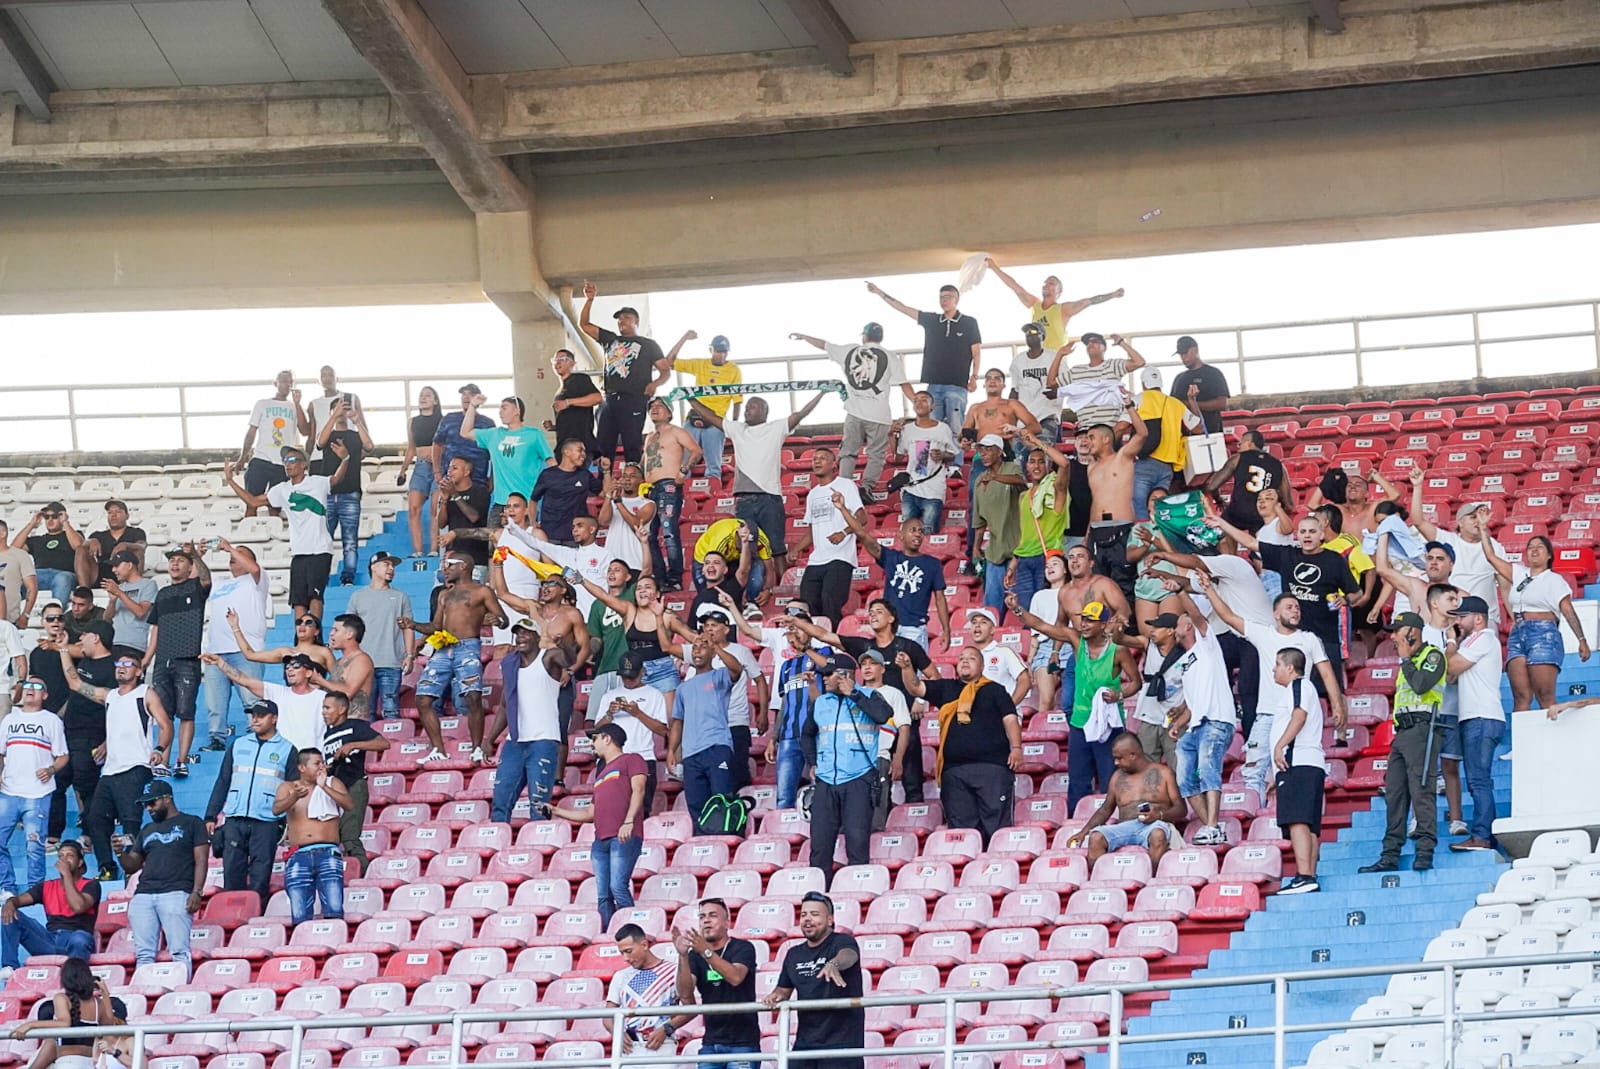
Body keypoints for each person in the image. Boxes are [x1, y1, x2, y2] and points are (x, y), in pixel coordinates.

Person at [1199, 574, 1345, 809]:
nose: (1295, 611)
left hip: (1298, 715)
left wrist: (1338, 705)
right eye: (1289, 607)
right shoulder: (1263, 633)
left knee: (1296, 769)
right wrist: (1209, 590)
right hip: (1266, 714)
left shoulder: (1309, 639)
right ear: (1276, 614)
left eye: (1297, 607)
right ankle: (1254, 814)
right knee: (1254, 771)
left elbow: (1327, 673)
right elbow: (1227, 617)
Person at [1010, 599, 1139, 815]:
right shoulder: (1077, 642)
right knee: (1078, 780)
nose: (1084, 624)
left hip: (1108, 725)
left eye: (1091, 620)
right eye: (1083, 620)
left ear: (1103, 624)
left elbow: (1136, 682)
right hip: (1080, 724)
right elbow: (1042, 626)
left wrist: (1119, 694)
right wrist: (1017, 608)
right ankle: (1076, 823)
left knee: (1110, 778)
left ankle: (1113, 822)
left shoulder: (1118, 651)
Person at [687, 391, 828, 581]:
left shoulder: (777, 427)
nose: (746, 411)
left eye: (752, 407)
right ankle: (751, 592)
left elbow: (801, 413)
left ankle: (781, 591)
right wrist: (690, 399)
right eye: (746, 407)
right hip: (744, 499)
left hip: (770, 498)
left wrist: (822, 393)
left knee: (776, 548)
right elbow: (711, 417)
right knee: (747, 547)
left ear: (764, 411)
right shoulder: (737, 429)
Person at [1216, 512, 1360, 690]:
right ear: (1297, 535)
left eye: (1312, 531)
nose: (1307, 535)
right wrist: (1222, 524)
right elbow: (1251, 543)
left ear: (1321, 535)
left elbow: (1356, 593)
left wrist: (1344, 599)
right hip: (1292, 640)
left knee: (1329, 693)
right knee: (1292, 692)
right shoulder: (1287, 555)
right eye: (1303, 531)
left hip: (1325, 638)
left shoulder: (1334, 559)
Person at [62, 650, 172, 881]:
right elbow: (74, 683)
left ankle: (133, 870)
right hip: (110, 770)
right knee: (95, 818)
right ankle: (107, 867)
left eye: (128, 664)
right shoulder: (110, 695)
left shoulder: (145, 693)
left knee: (130, 819)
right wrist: (63, 649)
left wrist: (159, 749)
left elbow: (166, 724)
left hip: (135, 766)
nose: (121, 667)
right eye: (118, 663)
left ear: (139, 671)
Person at [899, 646, 1022, 844]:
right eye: (962, 658)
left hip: (992, 769)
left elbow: (1010, 720)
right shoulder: (946, 688)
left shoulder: (995, 690)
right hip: (954, 772)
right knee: (962, 834)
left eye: (971, 658)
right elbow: (915, 687)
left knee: (997, 829)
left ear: (982, 666)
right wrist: (906, 668)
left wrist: (1016, 748)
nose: (965, 661)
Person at [1359, 614, 1448, 873]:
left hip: (1423, 729)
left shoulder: (1433, 656)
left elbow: (1421, 685)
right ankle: (1389, 855)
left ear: (1412, 632)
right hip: (1403, 733)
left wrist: (1408, 658)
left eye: (1397, 631)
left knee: (1422, 792)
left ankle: (1424, 852)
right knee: (1395, 795)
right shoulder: (1405, 662)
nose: (1392, 636)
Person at [405, 555, 510, 764]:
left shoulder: (482, 591)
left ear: (464, 566)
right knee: (423, 698)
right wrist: (413, 624)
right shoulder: (445, 594)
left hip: (468, 646)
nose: (445, 569)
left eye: (449, 566)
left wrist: (494, 620)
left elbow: (504, 620)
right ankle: (438, 749)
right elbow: (435, 626)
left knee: (472, 697)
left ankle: (477, 748)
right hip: (443, 647)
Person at [225, 444, 347, 621]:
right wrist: (230, 481)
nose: (287, 464)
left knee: (315, 596)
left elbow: (336, 479)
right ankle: (300, 640)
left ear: (304, 464)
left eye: (292, 460)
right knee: (298, 601)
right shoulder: (281, 489)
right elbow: (253, 501)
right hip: (298, 551)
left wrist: (345, 459)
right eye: (285, 461)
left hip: (319, 549)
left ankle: (315, 638)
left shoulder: (317, 482)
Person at [544, 724, 647, 928]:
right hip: (600, 839)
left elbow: (639, 790)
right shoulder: (600, 775)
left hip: (623, 835)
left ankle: (629, 932)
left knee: (618, 887)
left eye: (595, 738)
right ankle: (609, 933)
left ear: (607, 739)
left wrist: (628, 821)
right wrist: (557, 811)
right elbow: (590, 814)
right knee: (603, 895)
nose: (593, 743)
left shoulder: (632, 759)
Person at [791, 324, 912, 497]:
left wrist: (804, 336)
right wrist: (916, 400)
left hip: (854, 412)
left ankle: (844, 487)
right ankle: (867, 487)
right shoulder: (890, 356)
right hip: (879, 414)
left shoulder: (850, 351)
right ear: (881, 338)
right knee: (876, 455)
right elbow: (904, 383)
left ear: (864, 337)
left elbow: (824, 344)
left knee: (848, 452)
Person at [801, 654, 891, 881]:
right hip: (826, 781)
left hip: (858, 779)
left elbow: (883, 715)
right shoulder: (820, 702)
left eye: (829, 675)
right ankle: (820, 895)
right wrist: (812, 761)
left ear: (845, 676)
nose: (825, 680)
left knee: (857, 841)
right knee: (820, 843)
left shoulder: (870, 695)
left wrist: (855, 694)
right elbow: (807, 735)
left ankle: (856, 891)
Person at [203, 700, 298, 910]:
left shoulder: (288, 749)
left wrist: (288, 824)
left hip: (267, 821)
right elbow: (223, 781)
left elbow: (294, 790)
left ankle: (254, 917)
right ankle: (233, 916)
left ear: (274, 719)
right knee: (232, 872)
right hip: (235, 818)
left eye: (261, 715)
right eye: (253, 715)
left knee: (260, 875)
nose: (255, 719)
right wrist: (211, 815)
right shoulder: (238, 744)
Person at [866, 280, 982, 451]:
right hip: (933, 385)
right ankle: (927, 466)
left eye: (948, 297)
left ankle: (955, 467)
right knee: (930, 427)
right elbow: (903, 308)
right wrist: (879, 292)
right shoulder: (932, 320)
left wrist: (974, 376)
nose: (944, 300)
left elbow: (976, 351)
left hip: (957, 384)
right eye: (941, 297)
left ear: (956, 299)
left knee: (956, 426)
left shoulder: (969, 322)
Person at [1482, 534, 1590, 714]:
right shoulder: (1518, 573)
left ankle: (1549, 740)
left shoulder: (1555, 580)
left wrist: (1581, 639)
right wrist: (1484, 529)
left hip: (1543, 632)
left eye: (1539, 546)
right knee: (1521, 696)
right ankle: (1523, 741)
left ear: (1549, 555)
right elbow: (1491, 557)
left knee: (1545, 696)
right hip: (1518, 632)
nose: (1534, 549)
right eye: (1530, 546)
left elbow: (1568, 610)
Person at [763, 892, 865, 1069]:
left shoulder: (842, 941)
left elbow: (849, 955)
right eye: (803, 915)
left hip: (841, 1044)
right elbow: (783, 990)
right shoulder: (793, 953)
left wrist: (834, 964)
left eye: (814, 914)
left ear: (830, 920)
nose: (807, 919)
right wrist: (775, 996)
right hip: (805, 1043)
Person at [122, 780, 208, 978]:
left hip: (176, 892)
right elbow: (132, 865)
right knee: (144, 955)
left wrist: (197, 891)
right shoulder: (147, 829)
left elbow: (201, 860)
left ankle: (180, 992)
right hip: (143, 894)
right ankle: (144, 995)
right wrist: (120, 853)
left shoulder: (192, 822)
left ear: (167, 799)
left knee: (179, 951)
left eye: (152, 803)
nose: (148, 808)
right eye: (145, 805)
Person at [580, 280, 671, 466]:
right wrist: (589, 300)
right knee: (604, 444)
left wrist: (655, 384)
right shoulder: (610, 340)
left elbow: (665, 371)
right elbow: (585, 325)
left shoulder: (648, 344)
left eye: (626, 318)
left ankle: (635, 483)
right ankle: (605, 485)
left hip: (634, 398)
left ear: (636, 320)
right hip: (610, 398)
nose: (622, 321)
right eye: (619, 319)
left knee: (632, 443)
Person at [488, 622, 569, 824]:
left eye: (526, 633)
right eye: (518, 634)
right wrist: (489, 739)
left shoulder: (549, 657)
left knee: (539, 803)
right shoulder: (510, 664)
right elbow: (505, 705)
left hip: (543, 739)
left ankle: (538, 845)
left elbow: (569, 660)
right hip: (515, 740)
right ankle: (500, 845)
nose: (521, 637)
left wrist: (565, 644)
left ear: (536, 636)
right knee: (500, 799)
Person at [835, 511, 950, 652]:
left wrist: (946, 629)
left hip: (914, 629)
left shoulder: (932, 564)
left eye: (920, 531)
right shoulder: (890, 558)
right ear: (901, 535)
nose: (917, 534)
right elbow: (861, 534)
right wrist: (842, 508)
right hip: (889, 628)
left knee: (912, 672)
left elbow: (940, 598)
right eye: (912, 530)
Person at [1442, 596, 1504, 853]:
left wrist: (1451, 641)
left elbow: (1450, 665)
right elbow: (1451, 677)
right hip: (1478, 717)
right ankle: (1486, 833)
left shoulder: (1483, 637)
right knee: (1479, 780)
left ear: (1478, 618)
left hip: (1481, 717)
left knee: (1479, 781)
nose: (1457, 621)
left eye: (1462, 616)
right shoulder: (1475, 641)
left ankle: (1482, 836)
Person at [143, 546, 212, 778]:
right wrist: (147, 659)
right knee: (164, 714)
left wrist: (195, 554)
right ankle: (162, 760)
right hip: (163, 660)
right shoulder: (162, 594)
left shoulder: (195, 586)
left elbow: (205, 577)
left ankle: (181, 761)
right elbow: (155, 629)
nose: (175, 564)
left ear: (189, 565)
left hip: (187, 658)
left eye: (181, 560)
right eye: (172, 560)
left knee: (186, 713)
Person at [46, 620, 113, 852]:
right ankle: (53, 836)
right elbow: (72, 684)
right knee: (57, 783)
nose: (80, 639)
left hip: (91, 736)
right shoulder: (85, 660)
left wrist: (107, 741)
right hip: (68, 734)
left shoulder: (113, 668)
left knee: (87, 787)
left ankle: (88, 835)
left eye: (85, 635)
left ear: (96, 638)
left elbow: (116, 708)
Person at [0, 674, 70, 895]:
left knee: (34, 846)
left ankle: (35, 890)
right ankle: (6, 887)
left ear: (45, 695)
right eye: (27, 685)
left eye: (37, 686)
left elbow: (63, 756)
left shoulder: (51, 720)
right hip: (9, 791)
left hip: (38, 793)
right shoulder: (9, 719)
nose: (30, 689)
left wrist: (50, 770)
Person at [1071, 733, 1185, 868]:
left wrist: (1159, 815)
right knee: (1096, 837)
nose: (1116, 763)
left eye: (1119, 758)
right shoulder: (1117, 776)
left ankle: (1153, 879)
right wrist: (1084, 832)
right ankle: (1098, 883)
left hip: (1154, 825)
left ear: (1133, 755)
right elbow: (1106, 809)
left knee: (1158, 835)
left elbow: (1181, 809)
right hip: (1124, 827)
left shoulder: (1164, 773)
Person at [674, 898, 760, 1069]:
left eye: (713, 915)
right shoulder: (694, 955)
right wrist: (683, 956)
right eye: (702, 916)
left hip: (743, 1044)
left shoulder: (743, 947)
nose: (706, 920)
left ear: (727, 923)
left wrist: (705, 951)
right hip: (711, 1043)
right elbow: (685, 993)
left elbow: (735, 977)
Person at [667, 637, 747, 822]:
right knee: (696, 806)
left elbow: (736, 669)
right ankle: (702, 840)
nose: (697, 651)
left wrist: (717, 646)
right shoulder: (683, 688)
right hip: (690, 754)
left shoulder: (719, 675)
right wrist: (671, 750)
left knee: (722, 800)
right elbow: (678, 722)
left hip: (717, 747)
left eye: (703, 647)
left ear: (711, 652)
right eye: (694, 648)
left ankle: (725, 841)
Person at [1078, 403, 1150, 605]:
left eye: (1091, 437)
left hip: (1121, 528)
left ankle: (1129, 632)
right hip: (1096, 532)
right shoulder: (1091, 467)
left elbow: (1142, 434)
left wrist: (1129, 408)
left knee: (1124, 584)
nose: (1087, 442)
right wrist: (1087, 536)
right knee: (1097, 584)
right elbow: (1096, 501)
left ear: (1106, 439)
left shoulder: (1122, 457)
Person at [1268, 649, 1326, 894]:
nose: (1274, 669)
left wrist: (1280, 746)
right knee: (1309, 824)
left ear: (1290, 668)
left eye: (1277, 664)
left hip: (1298, 762)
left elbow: (1299, 715)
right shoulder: (1303, 688)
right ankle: (1309, 876)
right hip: (1307, 763)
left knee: (1298, 821)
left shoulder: (1299, 685)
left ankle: (1303, 875)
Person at [201, 539, 268, 750]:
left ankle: (258, 736)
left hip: (246, 651)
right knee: (215, 703)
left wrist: (229, 547)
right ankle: (216, 739)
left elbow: (254, 568)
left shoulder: (257, 580)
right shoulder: (221, 582)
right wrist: (196, 557)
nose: (233, 556)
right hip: (216, 650)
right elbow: (202, 580)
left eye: (241, 553)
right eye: (233, 553)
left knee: (252, 699)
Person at [274, 747, 352, 924]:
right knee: (300, 913)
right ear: (302, 767)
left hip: (328, 852)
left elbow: (349, 804)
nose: (321, 767)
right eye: (317, 763)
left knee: (334, 909)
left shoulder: (333, 782)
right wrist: (293, 797)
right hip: (298, 854)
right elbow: (276, 809)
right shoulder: (288, 787)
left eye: (323, 762)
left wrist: (324, 787)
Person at [1410, 489, 1507, 630]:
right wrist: (1418, 486)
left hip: (1484, 619)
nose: (1478, 521)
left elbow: (1504, 588)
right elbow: (1418, 521)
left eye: (1480, 517)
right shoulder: (1448, 540)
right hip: (1452, 618)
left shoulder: (1495, 547)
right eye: (1473, 517)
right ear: (1460, 522)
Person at [983, 256, 1124, 352]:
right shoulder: (1034, 305)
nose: (1046, 284)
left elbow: (1089, 301)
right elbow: (1014, 286)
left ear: (1059, 291)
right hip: (1038, 360)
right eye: (1045, 282)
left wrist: (1112, 295)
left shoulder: (1063, 309)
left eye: (1051, 283)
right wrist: (994, 267)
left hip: (1056, 361)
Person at [590, 651, 670, 817]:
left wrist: (638, 713)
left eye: (632, 676)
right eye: (625, 676)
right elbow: (595, 731)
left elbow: (663, 730)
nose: (628, 680)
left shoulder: (654, 695)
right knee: (606, 809)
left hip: (642, 756)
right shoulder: (609, 696)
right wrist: (609, 714)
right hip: (610, 759)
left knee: (641, 811)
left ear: (642, 672)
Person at [792, 449, 864, 628]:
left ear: (834, 464)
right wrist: (796, 549)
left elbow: (862, 518)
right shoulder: (812, 494)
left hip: (840, 558)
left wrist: (844, 532)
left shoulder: (846, 485)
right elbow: (811, 530)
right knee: (808, 606)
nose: (817, 461)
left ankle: (834, 648)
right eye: (815, 458)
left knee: (830, 605)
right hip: (816, 560)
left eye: (823, 458)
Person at [0, 841, 99, 972]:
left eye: (69, 855)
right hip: (49, 941)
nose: (64, 859)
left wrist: (67, 875)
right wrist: (10, 903)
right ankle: (9, 968)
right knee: (10, 913)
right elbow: (19, 900)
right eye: (61, 856)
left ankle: (75, 981)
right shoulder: (46, 886)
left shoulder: (91, 885)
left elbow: (78, 906)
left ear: (80, 862)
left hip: (76, 941)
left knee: (80, 938)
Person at [201, 652, 327, 753]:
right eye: (287, 667)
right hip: (282, 757)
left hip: (313, 759)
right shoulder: (277, 692)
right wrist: (220, 663)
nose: (289, 670)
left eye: (296, 666)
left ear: (309, 672)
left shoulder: (323, 698)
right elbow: (244, 680)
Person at [319, 690, 386, 875]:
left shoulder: (355, 726)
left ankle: (361, 875)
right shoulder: (327, 734)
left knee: (349, 837)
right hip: (335, 788)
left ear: (341, 709)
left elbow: (383, 743)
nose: (323, 712)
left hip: (354, 785)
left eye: (327, 707)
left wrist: (353, 745)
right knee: (334, 836)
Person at [605, 923, 693, 1063]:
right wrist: (617, 1033)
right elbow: (607, 1016)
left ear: (644, 945)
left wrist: (666, 1029)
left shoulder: (673, 971)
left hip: (662, 1045)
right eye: (622, 953)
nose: (625, 958)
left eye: (628, 951)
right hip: (628, 1047)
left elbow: (690, 1008)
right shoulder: (620, 976)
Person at [459, 394, 553, 527]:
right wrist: (472, 406)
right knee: (496, 545)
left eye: (504, 408)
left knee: (524, 546)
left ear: (517, 411)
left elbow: (551, 463)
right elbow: (465, 432)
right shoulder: (494, 434)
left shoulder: (534, 435)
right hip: (500, 504)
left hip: (525, 504)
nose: (500, 412)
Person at [1008, 426, 1072, 615]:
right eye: (1032, 462)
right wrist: (1013, 563)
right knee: (1027, 613)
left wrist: (1035, 441)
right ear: (1026, 466)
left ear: (1047, 466)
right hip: (1024, 560)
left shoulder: (1055, 489)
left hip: (1048, 558)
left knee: (1050, 612)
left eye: (1041, 462)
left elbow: (1065, 464)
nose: (1036, 466)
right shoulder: (1024, 497)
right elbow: (1023, 533)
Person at [640, 398, 702, 588]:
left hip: (668, 485)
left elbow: (696, 451)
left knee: (669, 532)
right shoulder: (649, 436)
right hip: (649, 488)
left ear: (669, 412)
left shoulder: (676, 431)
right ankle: (659, 577)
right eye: (652, 407)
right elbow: (645, 462)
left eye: (660, 407)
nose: (654, 409)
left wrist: (684, 470)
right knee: (649, 535)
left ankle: (674, 578)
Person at [347, 552, 415, 722]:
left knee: (391, 711)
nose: (391, 569)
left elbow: (408, 628)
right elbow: (348, 629)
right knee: (364, 713)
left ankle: (390, 747)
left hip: (391, 662)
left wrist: (409, 655)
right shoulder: (357, 596)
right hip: (363, 664)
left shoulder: (400, 597)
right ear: (373, 567)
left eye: (392, 566)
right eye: (386, 564)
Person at [313, 396, 373, 587]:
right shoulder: (328, 433)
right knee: (323, 539)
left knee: (350, 541)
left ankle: (347, 578)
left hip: (350, 493)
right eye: (338, 408)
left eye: (345, 409)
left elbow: (370, 446)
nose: (341, 412)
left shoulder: (354, 435)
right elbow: (319, 443)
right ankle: (321, 576)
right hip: (328, 494)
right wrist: (333, 417)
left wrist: (357, 421)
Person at [670, 331, 743, 484]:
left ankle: (713, 494)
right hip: (694, 417)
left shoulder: (734, 370)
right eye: (718, 351)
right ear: (711, 350)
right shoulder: (700, 364)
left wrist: (734, 425)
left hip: (716, 422)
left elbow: (738, 399)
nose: (721, 355)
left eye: (724, 352)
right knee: (684, 464)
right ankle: (682, 494)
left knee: (714, 466)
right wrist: (684, 338)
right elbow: (670, 362)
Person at [1132, 367, 1202, 520]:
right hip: (1167, 468)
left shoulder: (1139, 399)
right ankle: (1160, 540)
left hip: (1145, 462)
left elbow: (1122, 425)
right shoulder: (1175, 403)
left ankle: (1142, 540)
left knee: (1139, 508)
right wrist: (1191, 401)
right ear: (1161, 384)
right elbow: (1198, 428)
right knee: (1161, 510)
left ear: (1143, 384)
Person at [236, 370, 309, 516]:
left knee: (274, 507)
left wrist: (298, 403)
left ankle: (274, 534)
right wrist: (242, 457)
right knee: (251, 503)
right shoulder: (262, 404)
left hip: (283, 464)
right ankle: (251, 534)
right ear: (275, 383)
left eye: (290, 381)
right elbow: (251, 432)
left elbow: (305, 430)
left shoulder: (295, 407)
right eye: (283, 380)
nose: (287, 384)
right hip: (261, 459)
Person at [7, 957, 115, 1054]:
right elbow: (109, 1025)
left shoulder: (61, 998)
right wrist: (105, 994)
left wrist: (31, 1024)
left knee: (49, 1043)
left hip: (66, 1059)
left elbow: (64, 1023)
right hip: (89, 1060)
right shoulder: (97, 1003)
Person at [889, 390, 959, 532]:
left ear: (932, 406)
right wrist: (891, 435)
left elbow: (952, 455)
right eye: (915, 400)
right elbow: (898, 457)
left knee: (928, 530)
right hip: (911, 488)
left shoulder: (942, 428)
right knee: (908, 532)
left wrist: (942, 455)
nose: (919, 403)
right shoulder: (907, 429)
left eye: (923, 400)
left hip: (933, 490)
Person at [970, 434, 1025, 613]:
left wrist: (996, 477)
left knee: (1020, 603)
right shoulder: (979, 481)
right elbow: (980, 522)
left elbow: (1022, 483)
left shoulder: (1011, 468)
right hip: (995, 550)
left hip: (1018, 548)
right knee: (992, 605)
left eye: (988, 449)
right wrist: (976, 547)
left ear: (1000, 451)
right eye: (981, 450)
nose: (983, 454)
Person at [1051, 333, 1147, 433]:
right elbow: (1051, 383)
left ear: (1104, 348)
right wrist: (1060, 354)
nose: (1090, 344)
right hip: (1086, 432)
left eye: (1095, 341)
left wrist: (1121, 342)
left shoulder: (1113, 365)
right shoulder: (1077, 370)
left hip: (1110, 430)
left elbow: (1139, 362)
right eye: (1088, 342)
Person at [1206, 430, 1291, 532]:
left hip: (1238, 510)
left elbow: (1212, 486)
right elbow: (1287, 500)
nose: (1239, 446)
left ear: (1250, 443)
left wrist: (1218, 499)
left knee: (1223, 531)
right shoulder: (1279, 465)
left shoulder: (1237, 458)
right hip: (1263, 513)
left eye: (1240, 443)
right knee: (1259, 545)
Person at [397, 385, 443, 557]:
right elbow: (411, 448)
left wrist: (438, 454)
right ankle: (417, 550)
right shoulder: (413, 421)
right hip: (420, 465)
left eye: (428, 395)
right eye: (421, 395)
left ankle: (433, 549)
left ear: (435, 401)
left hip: (439, 466)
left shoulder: (442, 420)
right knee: (413, 507)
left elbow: (448, 444)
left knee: (434, 508)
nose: (423, 398)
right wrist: (403, 470)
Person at [529, 439, 601, 546]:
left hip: (575, 537)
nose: (583, 455)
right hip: (550, 535)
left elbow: (603, 492)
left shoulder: (585, 475)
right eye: (580, 450)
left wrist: (607, 471)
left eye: (584, 451)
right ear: (567, 452)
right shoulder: (547, 474)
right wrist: (532, 523)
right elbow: (533, 500)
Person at [10, 503, 82, 606]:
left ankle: (56, 614)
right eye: (47, 517)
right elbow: (14, 549)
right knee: (18, 579)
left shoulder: (72, 534)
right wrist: (31, 524)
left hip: (64, 574)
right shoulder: (38, 540)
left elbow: (78, 546)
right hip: (39, 575)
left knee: (62, 578)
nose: (50, 520)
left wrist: (65, 522)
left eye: (55, 516)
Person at [307, 613, 375, 722]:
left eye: (336, 630)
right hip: (337, 724)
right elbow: (331, 689)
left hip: (356, 723)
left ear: (349, 634)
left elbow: (348, 693)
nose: (331, 634)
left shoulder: (362, 659)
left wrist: (320, 680)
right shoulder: (338, 662)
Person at [1008, 322, 1061, 461]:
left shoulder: (1054, 357)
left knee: (1042, 456)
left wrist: (1056, 392)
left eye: (1033, 332)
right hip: (1024, 419)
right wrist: (1010, 416)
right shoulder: (1018, 361)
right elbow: (1014, 390)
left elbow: (1065, 383)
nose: (1029, 335)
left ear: (1042, 336)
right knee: (1019, 459)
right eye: (1026, 333)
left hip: (1047, 415)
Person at [432, 383, 495, 492]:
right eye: (463, 394)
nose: (466, 397)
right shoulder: (449, 418)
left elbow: (494, 453)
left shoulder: (488, 423)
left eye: (470, 394)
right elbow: (437, 444)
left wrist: (493, 479)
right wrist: (437, 472)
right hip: (450, 479)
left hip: (478, 479)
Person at [437, 455, 494, 575]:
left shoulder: (480, 491)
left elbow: (474, 517)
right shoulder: (449, 493)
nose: (449, 471)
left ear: (466, 472)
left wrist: (455, 495)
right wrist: (444, 500)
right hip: (453, 555)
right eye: (449, 468)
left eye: (455, 468)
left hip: (475, 557)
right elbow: (441, 524)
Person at [75, 499, 148, 591]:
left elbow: (142, 547)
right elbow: (83, 546)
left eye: (118, 512)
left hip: (125, 572)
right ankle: (84, 592)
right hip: (101, 572)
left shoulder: (136, 532)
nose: (113, 515)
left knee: (137, 550)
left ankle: (133, 588)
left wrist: (126, 545)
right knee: (81, 549)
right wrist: (90, 541)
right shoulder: (98, 535)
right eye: (110, 512)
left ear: (127, 516)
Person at [966, 607, 1032, 708]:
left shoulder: (1004, 651)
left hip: (1004, 718)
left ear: (992, 630)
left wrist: (1009, 707)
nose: (977, 625)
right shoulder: (968, 656)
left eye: (983, 622)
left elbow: (1025, 680)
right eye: (974, 622)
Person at [545, 348, 602, 460]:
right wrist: (554, 427)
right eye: (555, 360)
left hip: (580, 445)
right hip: (564, 446)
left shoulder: (579, 379)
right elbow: (573, 420)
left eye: (562, 359)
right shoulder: (559, 391)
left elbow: (597, 398)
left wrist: (568, 402)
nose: (558, 362)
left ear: (572, 363)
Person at [599, 463, 655, 575]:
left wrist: (618, 502)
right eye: (625, 475)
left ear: (641, 480)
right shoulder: (613, 501)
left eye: (633, 476)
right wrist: (609, 496)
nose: (627, 479)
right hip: (612, 563)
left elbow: (635, 524)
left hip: (635, 563)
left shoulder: (648, 504)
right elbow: (603, 521)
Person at [1168, 336, 1230, 434]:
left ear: (1195, 350)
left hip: (1212, 432)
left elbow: (1222, 403)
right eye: (1181, 354)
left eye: (1185, 353)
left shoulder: (1213, 374)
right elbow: (1173, 405)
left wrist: (1190, 403)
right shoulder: (1180, 379)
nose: (1183, 358)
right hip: (1186, 436)